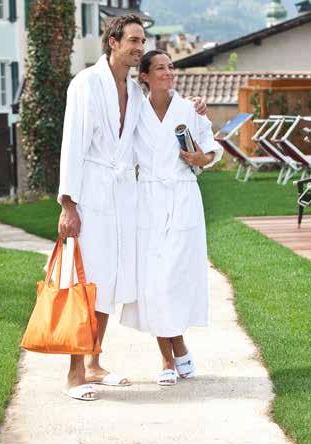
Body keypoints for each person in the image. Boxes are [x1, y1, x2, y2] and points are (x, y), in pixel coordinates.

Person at [57, 16, 206, 401]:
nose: (140, 47)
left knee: (109, 281)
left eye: (143, 41)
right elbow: (72, 144)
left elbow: (163, 112)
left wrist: (195, 107)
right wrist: (68, 203)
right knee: (85, 283)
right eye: (134, 40)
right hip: (91, 192)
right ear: (113, 41)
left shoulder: (134, 92)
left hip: (125, 195)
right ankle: (75, 374)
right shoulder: (86, 84)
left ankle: (93, 362)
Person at [119, 50, 223, 386]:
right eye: (160, 68)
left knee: (174, 277)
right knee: (153, 279)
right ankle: (170, 354)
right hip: (147, 198)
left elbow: (210, 149)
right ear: (145, 76)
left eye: (171, 67)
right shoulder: (134, 111)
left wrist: (200, 158)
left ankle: (176, 346)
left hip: (183, 196)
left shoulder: (189, 110)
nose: (168, 73)